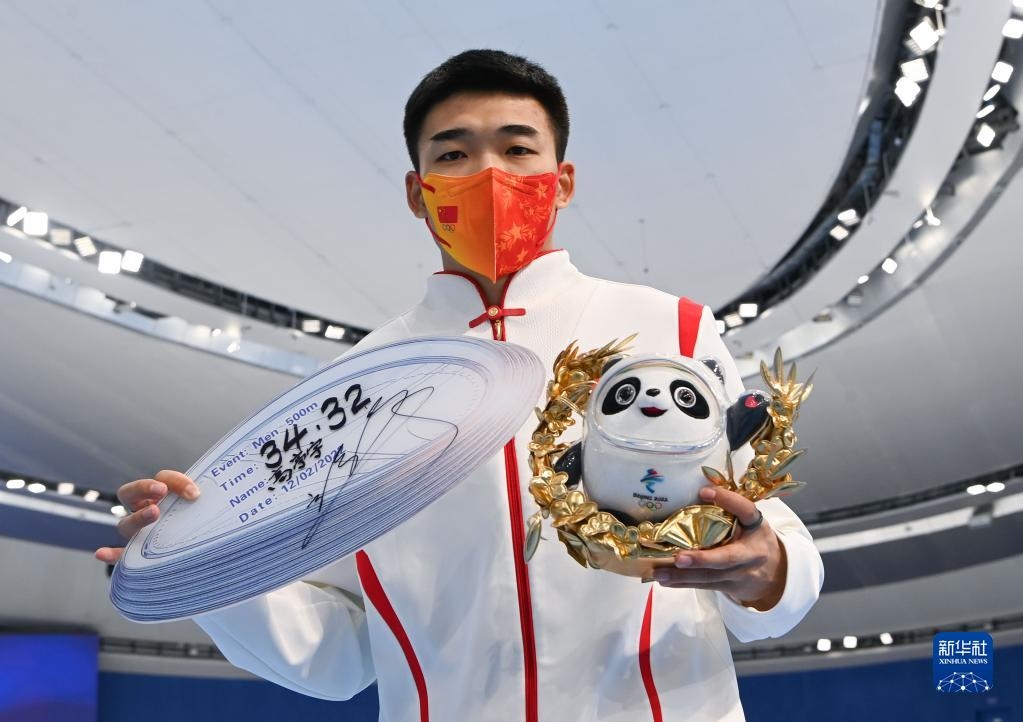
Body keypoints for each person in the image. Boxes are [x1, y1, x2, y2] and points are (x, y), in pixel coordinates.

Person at [96, 49, 824, 722]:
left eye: (517, 149)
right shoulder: (360, 387)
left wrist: (769, 570)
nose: (489, 175)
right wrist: (200, 568)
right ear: (418, 194)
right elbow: (338, 651)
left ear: (562, 181)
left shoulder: (670, 328)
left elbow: (763, 535)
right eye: (453, 154)